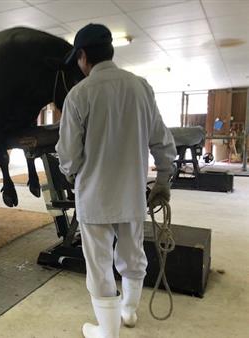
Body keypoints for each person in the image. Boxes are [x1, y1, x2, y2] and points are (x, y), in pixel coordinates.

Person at [56, 24, 177, 338]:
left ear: (82, 56)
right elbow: (162, 140)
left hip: (94, 197)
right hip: (132, 195)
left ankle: (107, 331)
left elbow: (68, 154)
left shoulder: (79, 94)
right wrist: (163, 178)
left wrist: (73, 171)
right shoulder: (141, 87)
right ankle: (129, 312)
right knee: (132, 254)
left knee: (99, 262)